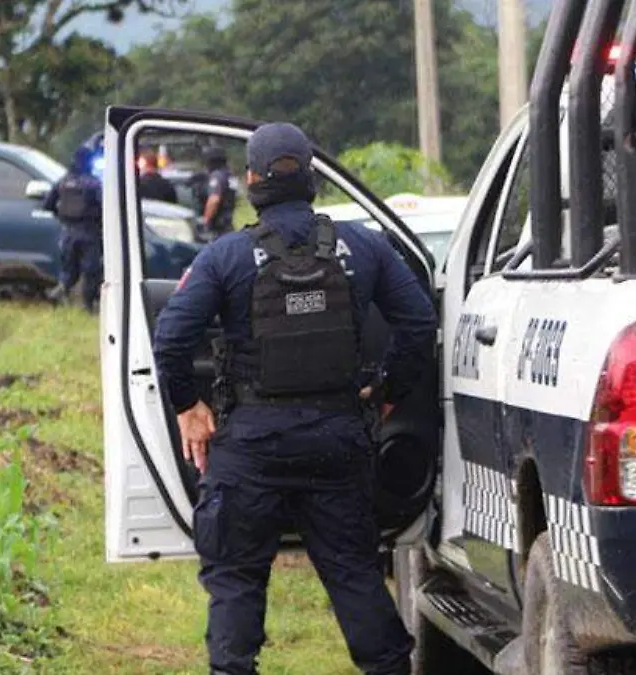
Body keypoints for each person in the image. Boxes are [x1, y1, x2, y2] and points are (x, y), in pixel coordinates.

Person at [152, 122, 438, 675]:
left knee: (236, 579)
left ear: (252, 180)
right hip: (337, 443)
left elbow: (172, 336)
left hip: (251, 446)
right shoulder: (364, 246)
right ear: (310, 177)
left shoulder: (225, 256)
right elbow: (419, 321)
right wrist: (387, 393)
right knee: (354, 573)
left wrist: (188, 407)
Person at [44, 135, 104, 312]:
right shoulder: (93, 184)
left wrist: (62, 217)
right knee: (91, 271)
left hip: (67, 232)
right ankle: (87, 305)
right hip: (89, 232)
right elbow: (105, 206)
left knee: (69, 271)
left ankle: (58, 292)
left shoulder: (62, 182)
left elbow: (48, 204)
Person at [197, 145, 236, 240]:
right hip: (228, 221)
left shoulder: (217, 176)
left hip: (219, 225)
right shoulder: (229, 175)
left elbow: (214, 200)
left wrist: (206, 221)